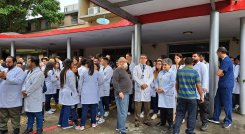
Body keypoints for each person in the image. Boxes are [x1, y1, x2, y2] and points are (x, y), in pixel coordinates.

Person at [174, 57, 204, 134]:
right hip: (192, 98)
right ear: (192, 63)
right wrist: (201, 96)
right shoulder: (195, 72)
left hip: (181, 97)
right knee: (192, 115)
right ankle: (190, 131)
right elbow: (198, 86)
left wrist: (178, 93)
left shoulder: (179, 71)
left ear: (184, 62)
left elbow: (176, 84)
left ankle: (176, 132)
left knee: (179, 114)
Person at [208, 47, 234, 128]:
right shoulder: (224, 60)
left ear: (221, 52)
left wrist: (220, 73)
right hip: (222, 84)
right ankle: (216, 118)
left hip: (226, 85)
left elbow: (218, 73)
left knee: (227, 103)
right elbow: (220, 73)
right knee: (217, 101)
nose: (217, 54)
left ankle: (228, 121)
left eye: (217, 52)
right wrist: (220, 73)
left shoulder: (226, 60)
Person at [0, 56, 26, 134]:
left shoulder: (19, 71)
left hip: (13, 98)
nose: (7, 63)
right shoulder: (4, 70)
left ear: (14, 62)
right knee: (2, 116)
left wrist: (5, 77)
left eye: (9, 62)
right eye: (6, 62)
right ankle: (3, 128)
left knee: (15, 116)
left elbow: (18, 81)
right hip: (3, 97)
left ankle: (16, 129)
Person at [76, 60, 103, 131]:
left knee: (84, 110)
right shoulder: (97, 72)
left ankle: (82, 125)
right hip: (94, 93)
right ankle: (93, 123)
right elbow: (101, 81)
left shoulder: (83, 72)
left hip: (85, 94)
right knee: (94, 109)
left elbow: (80, 83)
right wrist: (95, 84)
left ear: (87, 65)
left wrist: (79, 92)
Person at [22, 56, 45, 134]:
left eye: (29, 61)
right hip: (28, 96)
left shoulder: (40, 73)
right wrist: (24, 90)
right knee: (29, 113)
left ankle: (39, 129)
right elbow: (25, 82)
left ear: (33, 63)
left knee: (38, 114)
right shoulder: (29, 71)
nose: (27, 63)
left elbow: (35, 85)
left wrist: (26, 92)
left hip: (35, 97)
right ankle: (29, 128)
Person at [112, 57, 132, 134]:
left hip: (125, 93)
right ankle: (122, 129)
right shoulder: (117, 70)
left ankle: (119, 126)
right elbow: (115, 82)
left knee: (121, 111)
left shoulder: (123, 70)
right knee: (123, 112)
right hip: (121, 94)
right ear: (121, 62)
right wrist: (119, 92)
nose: (126, 63)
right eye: (125, 62)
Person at [133, 54, 154, 127]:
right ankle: (137, 121)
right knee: (137, 107)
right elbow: (134, 77)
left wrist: (146, 84)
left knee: (147, 107)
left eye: (144, 58)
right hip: (139, 88)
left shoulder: (149, 68)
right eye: (141, 58)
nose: (142, 59)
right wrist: (141, 84)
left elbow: (151, 77)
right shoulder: (136, 67)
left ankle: (146, 120)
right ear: (139, 59)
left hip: (146, 89)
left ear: (146, 59)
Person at [58, 59, 80, 129]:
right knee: (67, 109)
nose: (73, 65)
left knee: (64, 108)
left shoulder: (63, 71)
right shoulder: (70, 72)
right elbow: (72, 85)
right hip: (68, 92)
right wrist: (75, 92)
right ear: (69, 64)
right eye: (72, 64)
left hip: (63, 91)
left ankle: (60, 122)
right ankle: (64, 124)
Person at [155, 58, 176, 131]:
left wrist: (163, 89)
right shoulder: (161, 72)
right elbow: (156, 81)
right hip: (161, 94)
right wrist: (156, 88)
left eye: (165, 64)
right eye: (163, 64)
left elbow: (172, 83)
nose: (163, 66)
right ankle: (162, 122)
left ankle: (170, 124)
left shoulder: (172, 73)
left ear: (170, 65)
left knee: (169, 110)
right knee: (162, 109)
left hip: (168, 94)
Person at [192, 53, 209, 131]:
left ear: (199, 57)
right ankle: (192, 123)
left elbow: (205, 75)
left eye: (195, 56)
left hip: (201, 90)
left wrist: (204, 87)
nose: (193, 57)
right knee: (193, 108)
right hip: (192, 91)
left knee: (203, 108)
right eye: (192, 56)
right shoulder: (192, 66)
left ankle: (204, 123)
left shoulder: (202, 65)